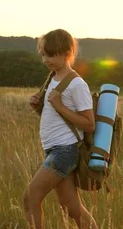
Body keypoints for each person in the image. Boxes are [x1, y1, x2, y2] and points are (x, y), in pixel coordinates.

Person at [24, 29, 98, 229]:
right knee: (71, 207)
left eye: (50, 54)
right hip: (54, 149)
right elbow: (59, 117)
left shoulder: (76, 84)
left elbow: (89, 123)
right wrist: (39, 107)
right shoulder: (54, 77)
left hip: (64, 151)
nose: (45, 59)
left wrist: (59, 106)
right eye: (43, 54)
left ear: (66, 52)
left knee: (30, 197)